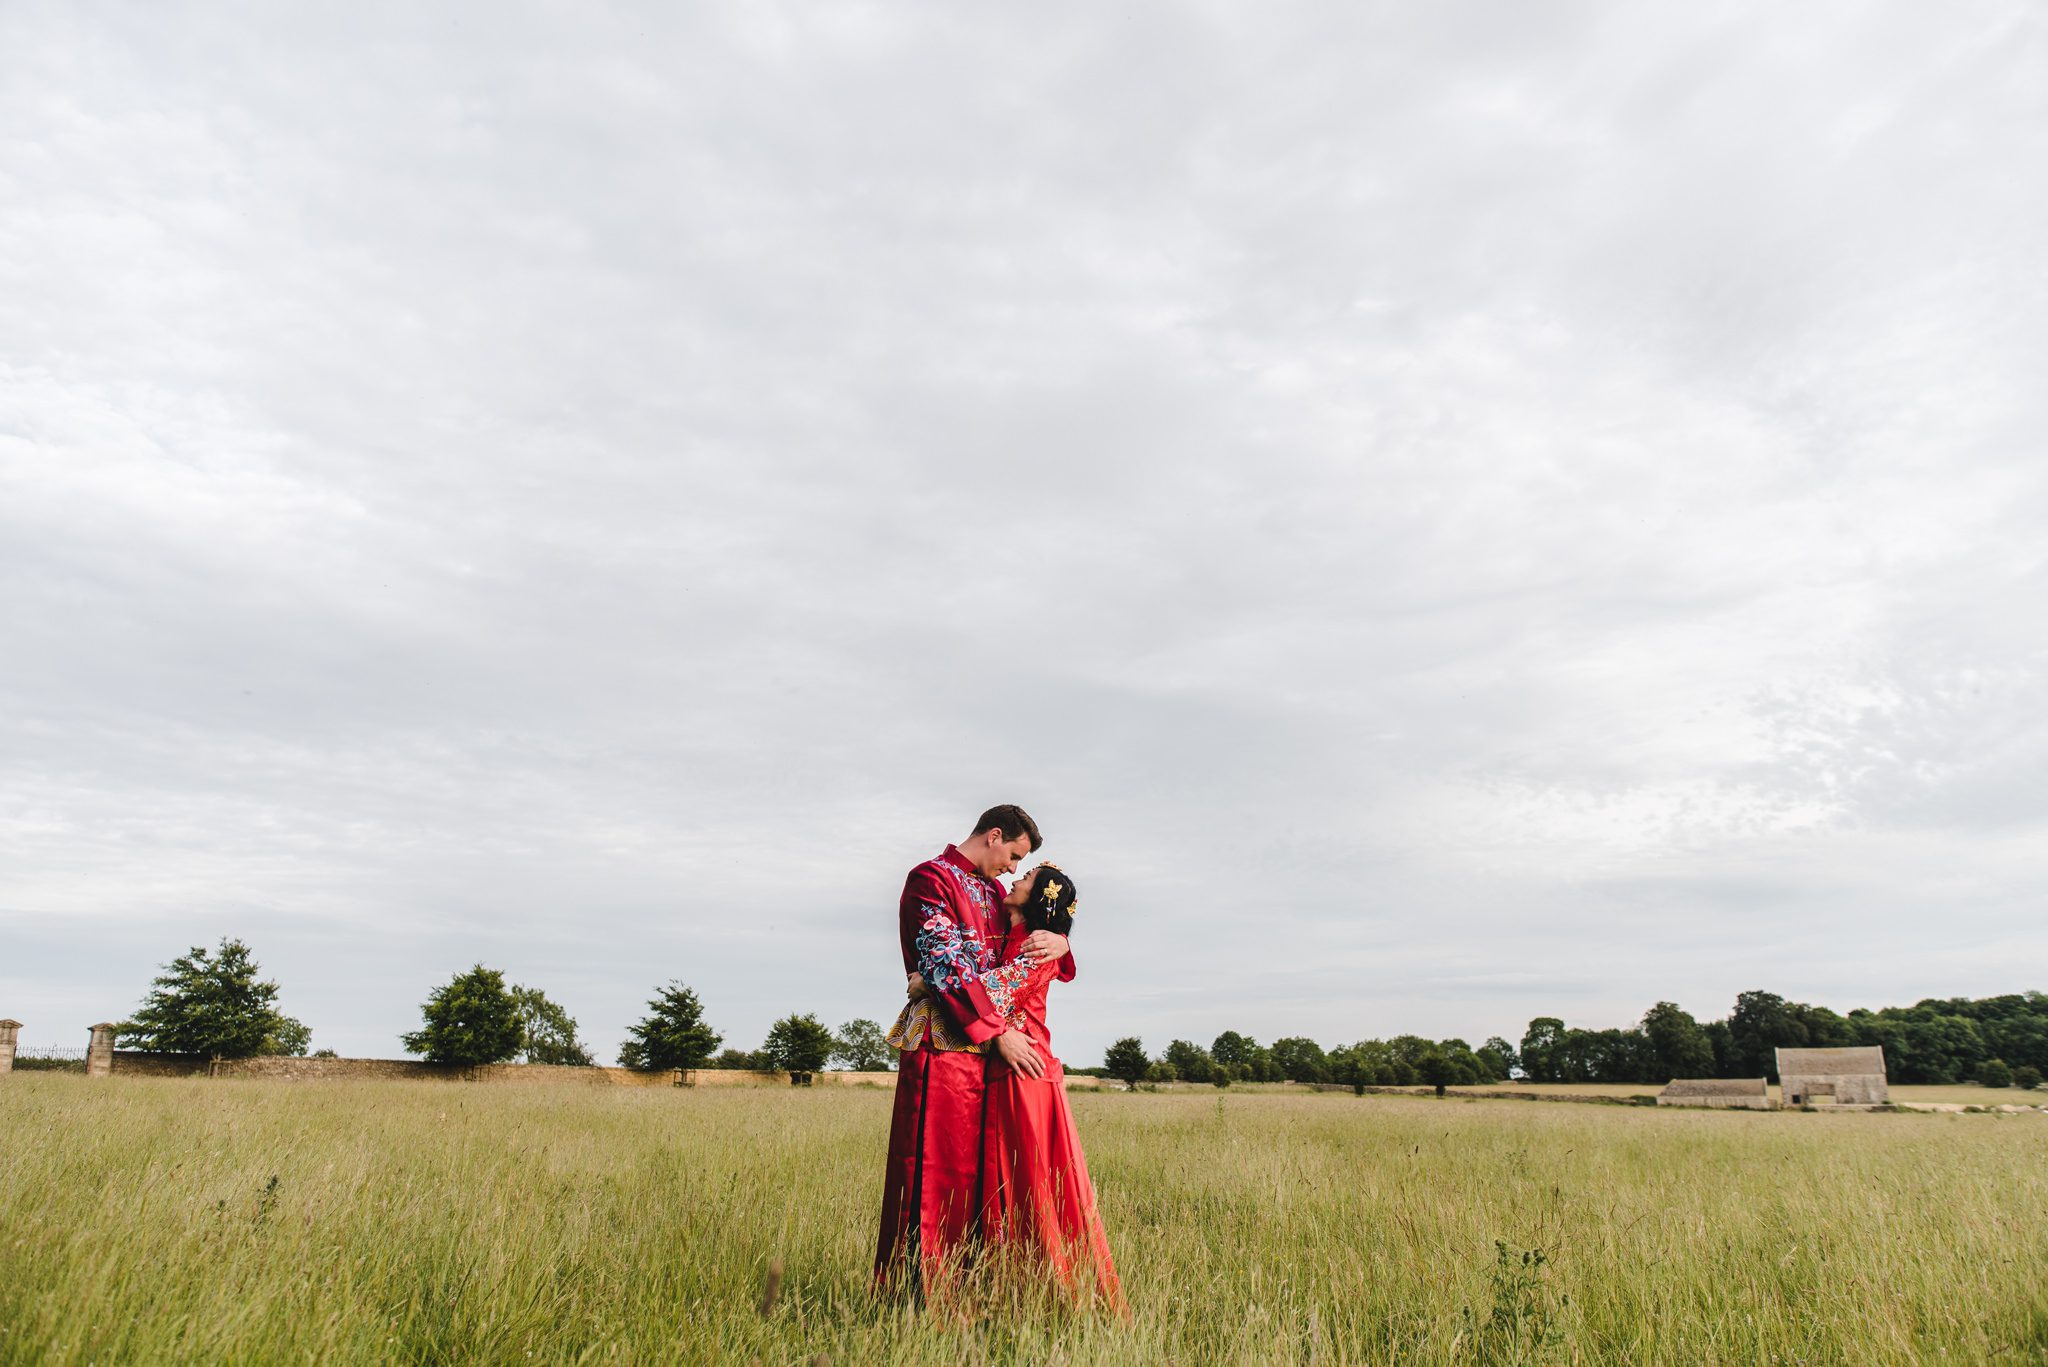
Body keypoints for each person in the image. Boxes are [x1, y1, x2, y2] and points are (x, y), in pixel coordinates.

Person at [873, 805, 1072, 1298]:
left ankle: (975, 1293)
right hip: (942, 1048)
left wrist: (1064, 945)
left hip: (986, 1058)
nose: (1012, 869)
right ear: (994, 835)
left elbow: (1032, 934)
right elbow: (944, 963)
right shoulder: (930, 879)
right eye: (1013, 856)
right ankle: (919, 1299)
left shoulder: (995, 893)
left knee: (984, 1181)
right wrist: (996, 1032)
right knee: (932, 1172)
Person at [977, 863, 1122, 1311]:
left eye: (1025, 880)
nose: (1014, 880)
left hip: (1024, 1074)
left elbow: (994, 994)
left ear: (1038, 898)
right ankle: (1014, 1288)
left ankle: (1044, 1291)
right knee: (1015, 1183)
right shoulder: (1018, 935)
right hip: (1016, 1070)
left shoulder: (1035, 945)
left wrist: (929, 986)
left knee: (1028, 1184)